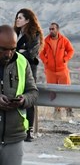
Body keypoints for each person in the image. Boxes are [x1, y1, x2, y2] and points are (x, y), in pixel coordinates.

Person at [0, 24, 39, 164]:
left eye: (12, 49)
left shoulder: (22, 62)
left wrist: (24, 100)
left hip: (15, 136)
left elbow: (33, 92)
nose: (8, 54)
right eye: (3, 49)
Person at [14, 8, 43, 142]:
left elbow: (31, 53)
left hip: (28, 70)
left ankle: (28, 130)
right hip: (14, 69)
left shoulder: (34, 34)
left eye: (20, 17)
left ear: (27, 20)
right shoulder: (15, 33)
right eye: (17, 17)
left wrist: (17, 52)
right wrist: (20, 50)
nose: (17, 20)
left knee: (28, 98)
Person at [39, 22, 75, 118]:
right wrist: (46, 61)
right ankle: (57, 112)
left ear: (57, 30)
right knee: (53, 91)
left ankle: (69, 111)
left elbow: (71, 50)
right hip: (50, 71)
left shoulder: (64, 40)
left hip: (62, 69)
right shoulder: (45, 41)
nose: (51, 30)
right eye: (50, 29)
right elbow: (41, 53)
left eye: (53, 29)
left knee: (66, 90)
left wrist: (65, 59)